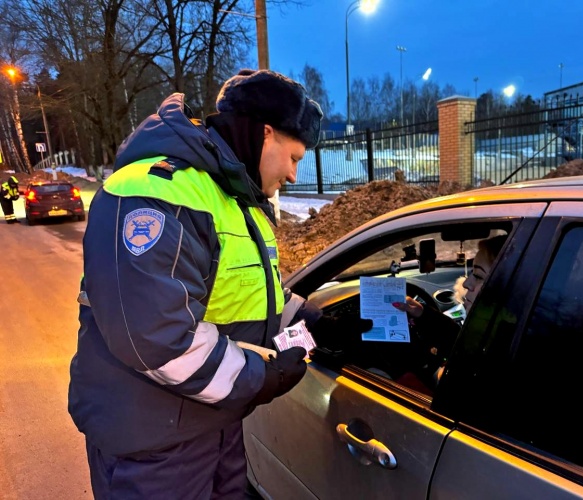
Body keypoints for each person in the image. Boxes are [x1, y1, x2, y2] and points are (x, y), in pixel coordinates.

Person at [68, 69, 369, 499]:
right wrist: (261, 376)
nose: (294, 176)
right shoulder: (156, 193)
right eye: (295, 157)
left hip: (211, 422)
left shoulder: (230, 199)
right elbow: (159, 339)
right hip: (152, 443)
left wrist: (316, 322)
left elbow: (249, 294)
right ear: (266, 133)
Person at [391, 234, 509, 390]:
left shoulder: (501, 348)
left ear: (508, 286)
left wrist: (398, 368)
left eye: (478, 275)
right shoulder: (498, 330)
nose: (466, 283)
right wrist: (422, 313)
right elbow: (459, 346)